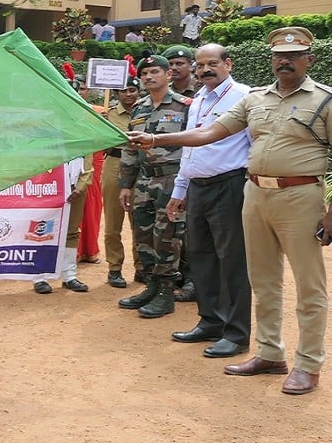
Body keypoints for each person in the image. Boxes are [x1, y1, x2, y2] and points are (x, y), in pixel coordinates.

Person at [127, 27, 330, 395]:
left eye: (294, 55)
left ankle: (308, 364)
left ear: (308, 60)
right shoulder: (255, 100)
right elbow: (208, 134)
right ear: (271, 60)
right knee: (263, 281)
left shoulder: (324, 100)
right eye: (279, 56)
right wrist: (156, 138)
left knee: (308, 286)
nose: (285, 61)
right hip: (255, 194)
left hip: (300, 197)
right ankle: (270, 354)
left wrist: (331, 210)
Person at [167, 43, 252, 358]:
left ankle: (237, 333)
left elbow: (255, 146)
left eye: (212, 64)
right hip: (198, 189)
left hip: (230, 186)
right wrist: (180, 190)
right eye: (200, 65)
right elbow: (189, 150)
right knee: (201, 257)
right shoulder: (199, 99)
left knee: (232, 261)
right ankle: (211, 321)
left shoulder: (244, 97)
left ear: (228, 63)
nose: (205, 70)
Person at [117, 55, 190, 319]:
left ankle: (166, 293)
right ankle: (151, 286)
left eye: (154, 71)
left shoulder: (185, 107)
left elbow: (194, 145)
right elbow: (130, 147)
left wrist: (187, 185)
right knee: (143, 236)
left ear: (168, 74)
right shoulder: (139, 108)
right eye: (144, 73)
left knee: (168, 236)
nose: (148, 77)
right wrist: (126, 184)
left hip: (172, 180)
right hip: (144, 181)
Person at [32, 67, 89, 294]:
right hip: (46, 188)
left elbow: (89, 160)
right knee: (41, 230)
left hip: (76, 187)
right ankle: (39, 277)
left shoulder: (83, 126)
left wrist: (80, 186)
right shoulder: (40, 126)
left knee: (72, 231)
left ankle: (70, 275)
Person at [161, 44, 200, 301]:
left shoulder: (200, 94)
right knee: (169, 227)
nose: (175, 68)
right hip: (165, 171)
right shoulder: (161, 93)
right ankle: (170, 276)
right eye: (171, 64)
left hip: (191, 168)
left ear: (190, 66)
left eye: (180, 64)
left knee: (189, 230)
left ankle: (193, 280)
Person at [102, 76, 143, 288]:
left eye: (132, 90)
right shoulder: (106, 115)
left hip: (139, 166)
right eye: (123, 91)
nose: (128, 94)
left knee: (140, 220)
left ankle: (142, 267)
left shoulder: (145, 110)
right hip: (114, 165)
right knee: (113, 220)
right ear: (117, 93)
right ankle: (115, 268)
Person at [74, 78, 104, 265]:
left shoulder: (101, 112)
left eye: (83, 88)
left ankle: (89, 249)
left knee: (92, 202)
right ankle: (72, 251)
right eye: (75, 89)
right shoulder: (58, 112)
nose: (79, 92)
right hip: (68, 160)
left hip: (93, 158)